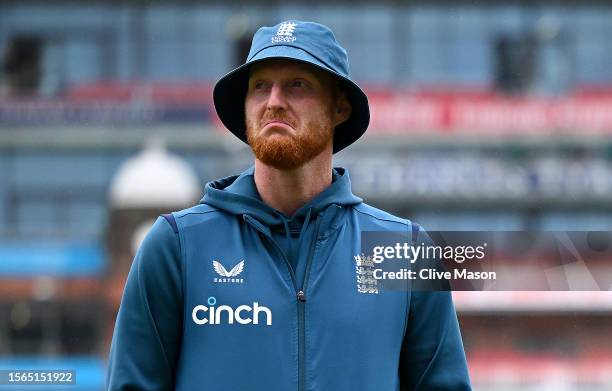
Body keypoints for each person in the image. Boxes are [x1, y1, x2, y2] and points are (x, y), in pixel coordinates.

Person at [107, 20, 472, 390]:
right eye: (260, 86)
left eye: (297, 85)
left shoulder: (404, 251)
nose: (274, 102)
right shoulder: (177, 245)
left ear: (340, 108)